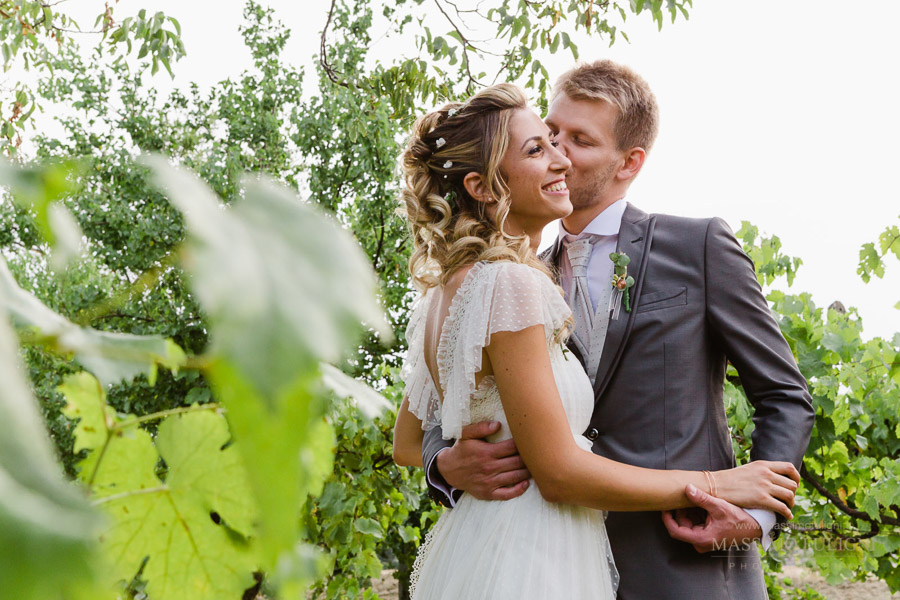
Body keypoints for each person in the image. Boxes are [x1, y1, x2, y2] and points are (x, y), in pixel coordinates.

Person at [392, 81, 803, 600]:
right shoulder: (506, 279)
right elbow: (431, 419)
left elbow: (784, 395)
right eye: (547, 137)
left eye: (576, 140)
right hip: (538, 558)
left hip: (679, 565)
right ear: (485, 185)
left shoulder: (697, 246)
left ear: (628, 162)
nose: (560, 154)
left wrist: (754, 511)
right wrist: (444, 464)